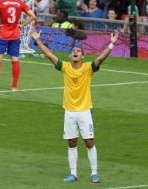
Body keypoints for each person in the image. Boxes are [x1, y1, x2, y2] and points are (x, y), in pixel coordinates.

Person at [31, 29, 119, 184]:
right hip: (69, 112)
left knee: (89, 141)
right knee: (71, 142)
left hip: (84, 111)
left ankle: (94, 173)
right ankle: (73, 173)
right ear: (70, 56)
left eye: (78, 51)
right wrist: (37, 40)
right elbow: (50, 55)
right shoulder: (65, 67)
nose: (76, 52)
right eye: (74, 51)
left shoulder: (88, 68)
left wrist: (112, 44)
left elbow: (100, 59)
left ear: (83, 56)